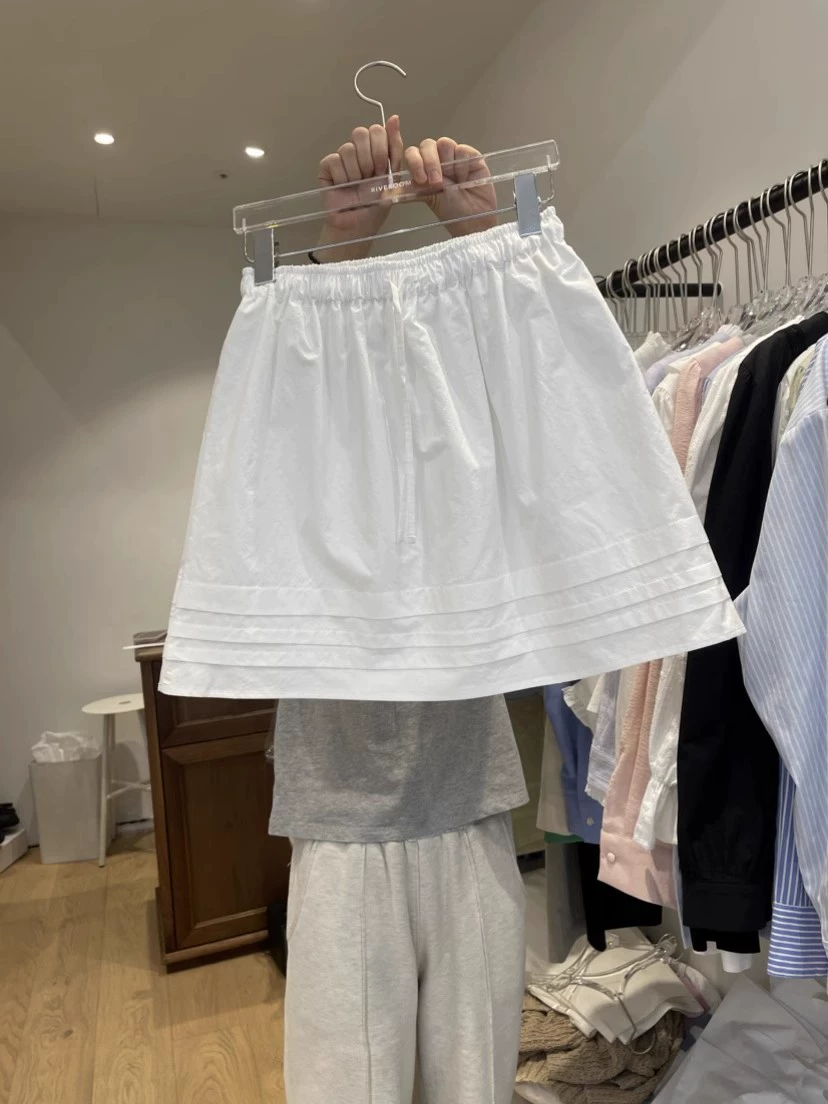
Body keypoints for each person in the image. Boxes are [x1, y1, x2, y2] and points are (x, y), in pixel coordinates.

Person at [273, 118, 529, 1104]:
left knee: (477, 1085)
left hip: (468, 798)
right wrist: (343, 241)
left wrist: (481, 236)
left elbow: (542, 409)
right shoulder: (300, 429)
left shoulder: (472, 431)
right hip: (342, 816)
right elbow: (289, 382)